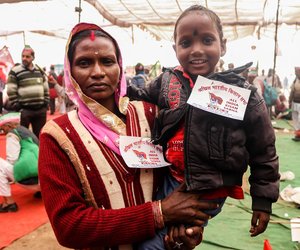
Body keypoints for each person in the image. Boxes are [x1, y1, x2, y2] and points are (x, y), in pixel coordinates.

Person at [38, 22, 217, 250]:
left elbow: (177, 177)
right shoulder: (58, 135)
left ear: (120, 67)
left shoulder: (151, 115)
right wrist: (159, 213)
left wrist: (185, 228)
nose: (98, 72)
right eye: (84, 63)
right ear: (70, 70)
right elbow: (68, 226)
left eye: (107, 61)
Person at [128, 4, 280, 249]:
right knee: (161, 235)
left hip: (210, 189)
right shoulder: (167, 82)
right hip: (171, 179)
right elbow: (139, 95)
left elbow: (264, 151)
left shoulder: (242, 94)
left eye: (207, 40)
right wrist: (118, 91)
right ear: (175, 47)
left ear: (223, 44)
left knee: (155, 244)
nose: (196, 50)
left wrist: (263, 201)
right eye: (186, 43)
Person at [0, 112, 40, 212]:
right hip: (45, 181)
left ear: (8, 125)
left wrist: (8, 178)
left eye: (2, 128)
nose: (2, 130)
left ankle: (8, 203)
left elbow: (12, 160)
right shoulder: (27, 131)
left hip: (31, 182)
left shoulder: (12, 134)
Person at [6, 45, 49, 137]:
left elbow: (45, 87)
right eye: (23, 56)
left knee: (40, 136)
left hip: (40, 110)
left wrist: (45, 103)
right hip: (25, 110)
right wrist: (17, 105)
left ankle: (38, 152)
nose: (24, 58)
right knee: (23, 137)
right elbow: (10, 89)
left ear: (33, 57)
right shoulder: (15, 71)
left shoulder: (39, 70)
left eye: (27, 56)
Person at [289, 65, 300, 141]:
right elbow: (292, 92)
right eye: (295, 72)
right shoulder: (295, 80)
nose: (296, 73)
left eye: (296, 72)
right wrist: (289, 101)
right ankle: (297, 135)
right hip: (294, 102)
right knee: (295, 120)